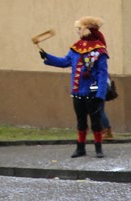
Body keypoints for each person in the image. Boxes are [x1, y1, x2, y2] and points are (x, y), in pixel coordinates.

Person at [38, 16, 111, 158]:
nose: (78, 32)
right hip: (78, 91)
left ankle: (98, 148)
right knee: (81, 121)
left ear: (87, 30)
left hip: (93, 92)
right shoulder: (76, 48)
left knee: (95, 121)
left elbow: (103, 74)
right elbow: (65, 62)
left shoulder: (99, 50)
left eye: (79, 29)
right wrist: (47, 56)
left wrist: (100, 95)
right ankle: (80, 148)